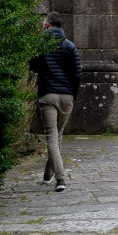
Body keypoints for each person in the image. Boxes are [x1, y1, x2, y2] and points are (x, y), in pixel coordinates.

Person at [29, 11, 81, 192]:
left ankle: (60, 179)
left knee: (52, 137)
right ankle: (47, 175)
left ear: (48, 25)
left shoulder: (40, 45)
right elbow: (77, 74)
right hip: (67, 96)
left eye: (44, 23)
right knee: (58, 136)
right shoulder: (70, 46)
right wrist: (73, 95)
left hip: (48, 95)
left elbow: (32, 66)